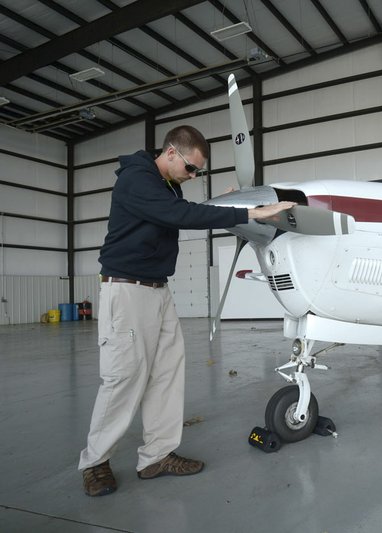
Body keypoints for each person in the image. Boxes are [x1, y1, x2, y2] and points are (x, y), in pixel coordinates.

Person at [79, 125, 295, 497]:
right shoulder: (136, 179)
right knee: (123, 379)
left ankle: (157, 456)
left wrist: (226, 206)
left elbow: (178, 210)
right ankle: (95, 462)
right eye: (192, 169)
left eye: (198, 173)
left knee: (167, 374)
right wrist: (251, 213)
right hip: (127, 292)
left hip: (157, 290)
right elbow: (177, 215)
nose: (193, 177)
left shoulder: (168, 186)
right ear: (172, 153)